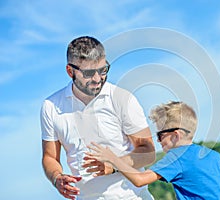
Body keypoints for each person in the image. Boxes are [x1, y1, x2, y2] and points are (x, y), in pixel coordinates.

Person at [40, 36, 155, 200]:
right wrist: (56, 178)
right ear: (70, 71)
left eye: (103, 70)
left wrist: (114, 165)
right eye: (88, 73)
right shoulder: (50, 106)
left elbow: (149, 152)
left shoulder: (122, 99)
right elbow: (50, 157)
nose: (97, 79)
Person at [86, 101, 220, 199]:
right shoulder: (213, 155)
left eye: (160, 135)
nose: (157, 140)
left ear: (175, 135)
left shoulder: (177, 157)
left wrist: (113, 159)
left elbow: (140, 180)